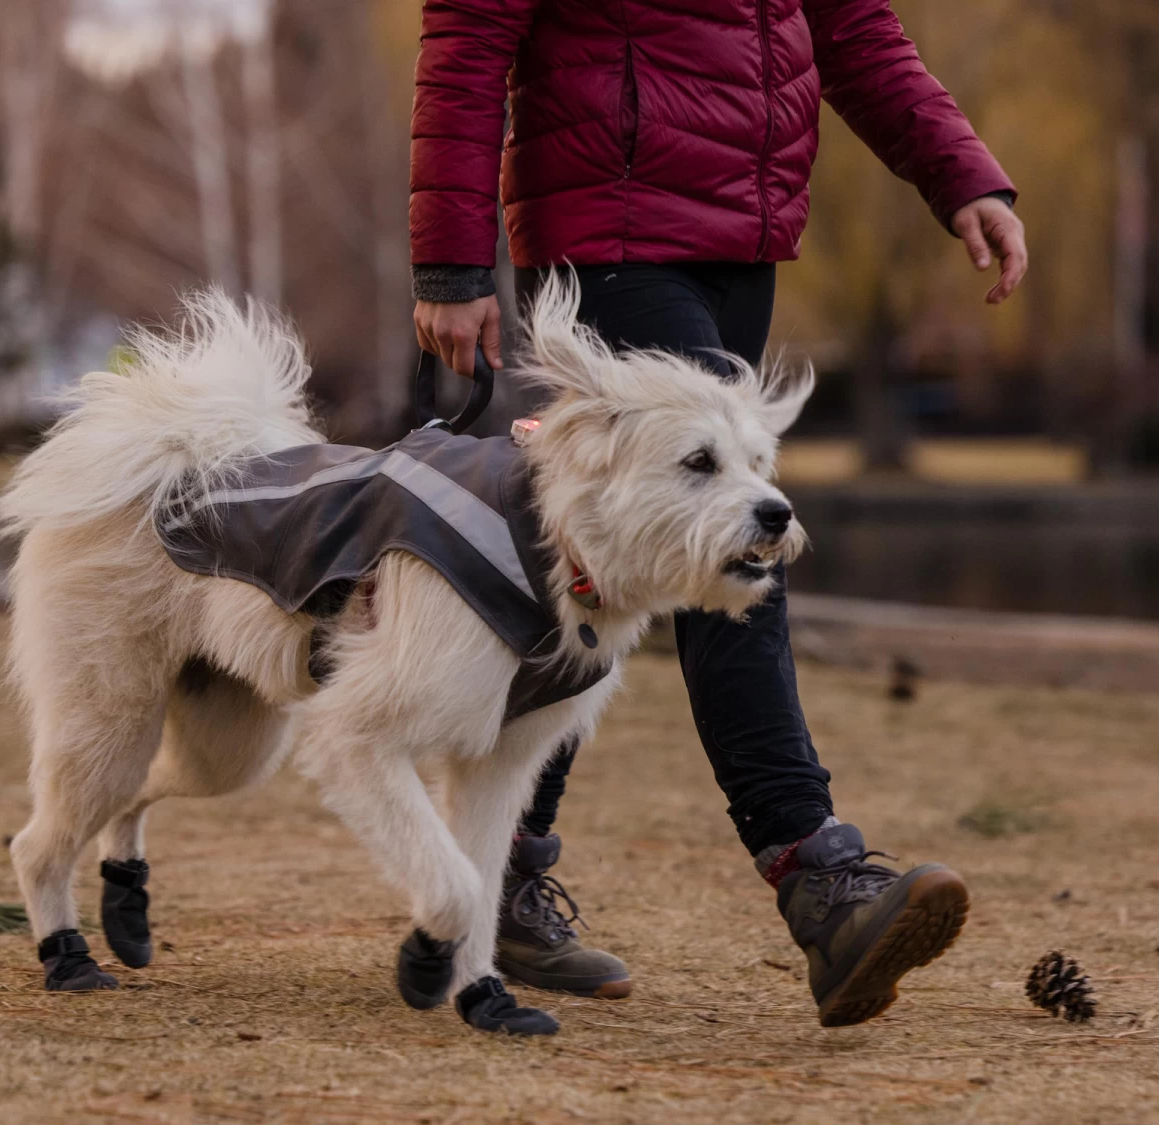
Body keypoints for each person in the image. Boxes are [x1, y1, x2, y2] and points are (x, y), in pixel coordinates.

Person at [408, 0, 1029, 1026]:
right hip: (609, 230)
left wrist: (960, 173)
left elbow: (853, 30)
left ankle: (500, 869)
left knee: (602, 569)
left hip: (744, 233)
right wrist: (451, 260)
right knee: (736, 550)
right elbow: (470, 34)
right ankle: (818, 881)